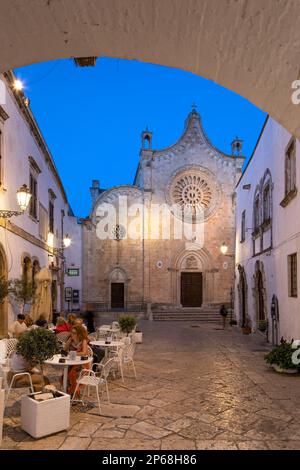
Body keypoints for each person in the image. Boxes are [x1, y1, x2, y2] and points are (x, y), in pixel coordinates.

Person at [63, 325, 92, 396]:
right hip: (72, 363)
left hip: (82, 364)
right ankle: (71, 391)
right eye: (71, 332)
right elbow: (64, 350)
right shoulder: (71, 341)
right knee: (63, 377)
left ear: (79, 334)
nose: (72, 334)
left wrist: (73, 353)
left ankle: (72, 393)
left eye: (74, 333)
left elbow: (84, 353)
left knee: (72, 374)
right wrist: (68, 342)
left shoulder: (83, 341)